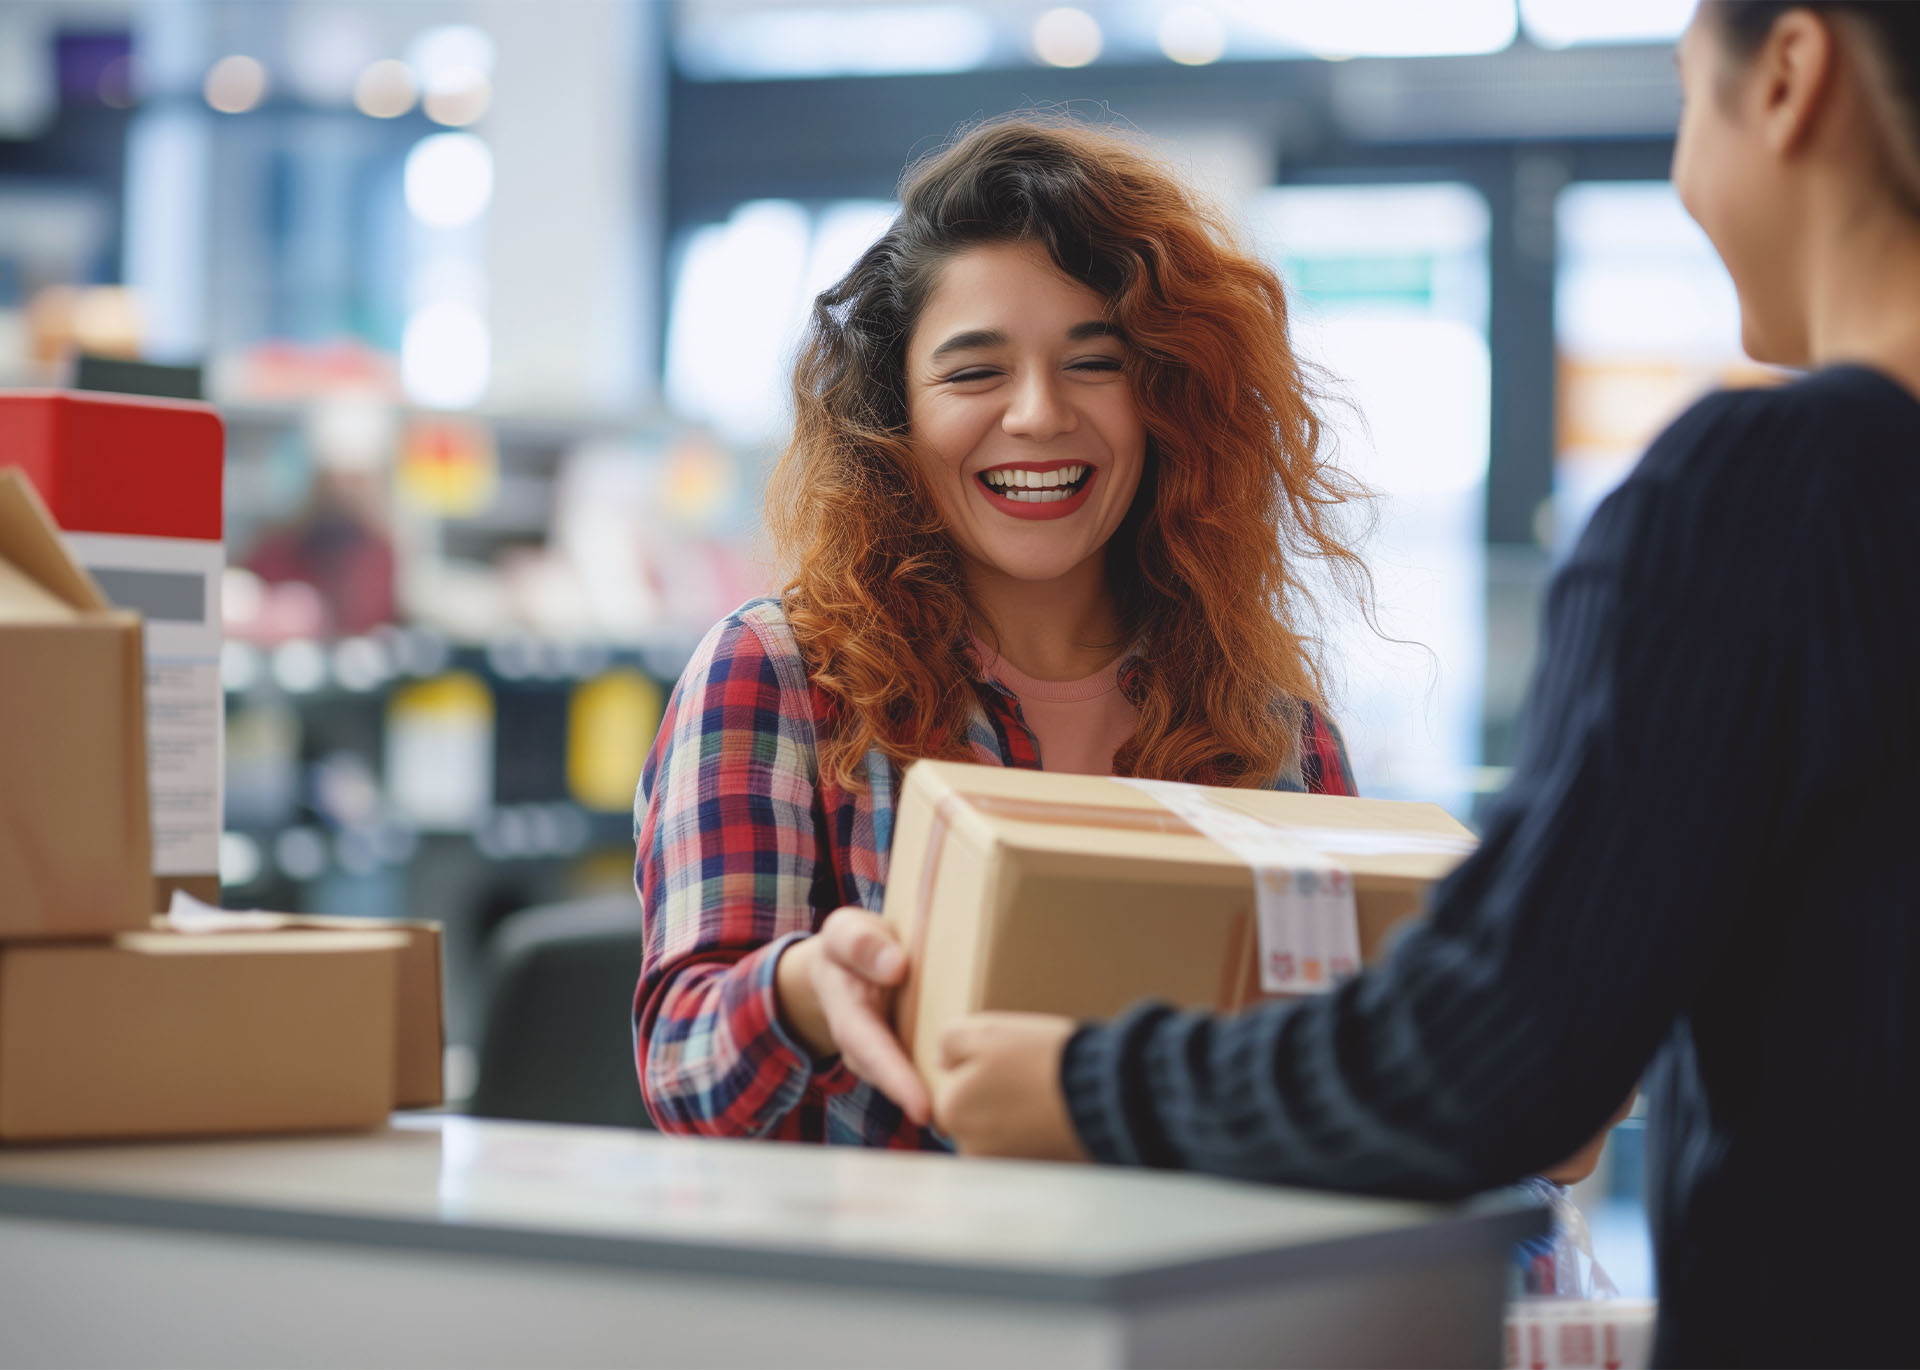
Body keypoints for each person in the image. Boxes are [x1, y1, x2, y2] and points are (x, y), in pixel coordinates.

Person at [933, 5, 1920, 1365]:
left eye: (1689, 97)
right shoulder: (781, 670)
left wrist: (1077, 1082)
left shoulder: (1763, 498)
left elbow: (1495, 1046)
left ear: (1794, 77)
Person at [631, 118, 1364, 1148]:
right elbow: (683, 1069)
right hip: (900, 1295)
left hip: (1189, 1296)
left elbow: (1345, 1064)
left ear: (1166, 402)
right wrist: (799, 989)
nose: (1036, 415)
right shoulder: (779, 674)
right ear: (894, 416)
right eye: (974, 372)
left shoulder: (1275, 728)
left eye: (1095, 364)